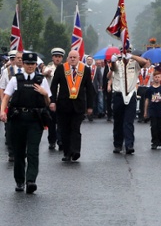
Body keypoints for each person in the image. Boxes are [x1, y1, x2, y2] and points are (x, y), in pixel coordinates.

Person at [0, 52, 51, 193]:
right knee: (19, 152)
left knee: (33, 152)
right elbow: (6, 97)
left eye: (32, 64)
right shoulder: (16, 79)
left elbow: (48, 102)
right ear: (23, 64)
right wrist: (2, 111)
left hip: (35, 120)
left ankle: (31, 180)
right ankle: (19, 181)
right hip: (18, 119)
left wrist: (44, 94)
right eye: (27, 64)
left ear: (36, 65)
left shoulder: (42, 80)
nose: (30, 66)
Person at [50, 50, 93, 162]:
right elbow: (54, 86)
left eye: (75, 57)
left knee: (75, 128)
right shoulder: (61, 68)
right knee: (64, 129)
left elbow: (89, 89)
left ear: (79, 58)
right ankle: (67, 153)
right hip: (63, 105)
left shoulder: (85, 70)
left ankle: (75, 151)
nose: (73, 59)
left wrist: (90, 106)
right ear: (67, 58)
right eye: (71, 57)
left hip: (78, 105)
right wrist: (52, 101)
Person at [110, 48, 147, 154]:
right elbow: (113, 69)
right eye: (124, 51)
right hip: (118, 95)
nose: (126, 53)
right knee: (118, 121)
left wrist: (132, 56)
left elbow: (144, 62)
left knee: (129, 122)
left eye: (128, 51)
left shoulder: (134, 63)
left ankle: (129, 145)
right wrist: (113, 60)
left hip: (130, 95)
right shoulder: (117, 62)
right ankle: (117, 144)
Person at [42, 47, 65, 150]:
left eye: (59, 57)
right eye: (56, 56)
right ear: (52, 57)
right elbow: (44, 73)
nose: (57, 59)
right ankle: (52, 141)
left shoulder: (65, 68)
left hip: (62, 97)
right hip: (51, 97)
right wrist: (46, 73)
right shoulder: (49, 67)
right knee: (51, 121)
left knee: (61, 121)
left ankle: (60, 140)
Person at [144, 70, 161, 149]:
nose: (157, 79)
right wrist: (145, 112)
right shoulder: (150, 89)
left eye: (158, 77)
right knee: (153, 126)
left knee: (160, 126)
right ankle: (154, 142)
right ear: (153, 78)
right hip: (152, 110)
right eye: (156, 77)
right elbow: (147, 100)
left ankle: (160, 137)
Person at [85, 55, 102, 121]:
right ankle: (86, 113)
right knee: (86, 100)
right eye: (88, 59)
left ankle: (92, 113)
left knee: (93, 101)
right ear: (86, 61)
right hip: (85, 87)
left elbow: (99, 77)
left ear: (92, 61)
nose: (89, 60)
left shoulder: (96, 68)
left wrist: (100, 85)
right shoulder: (83, 68)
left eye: (90, 59)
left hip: (93, 87)